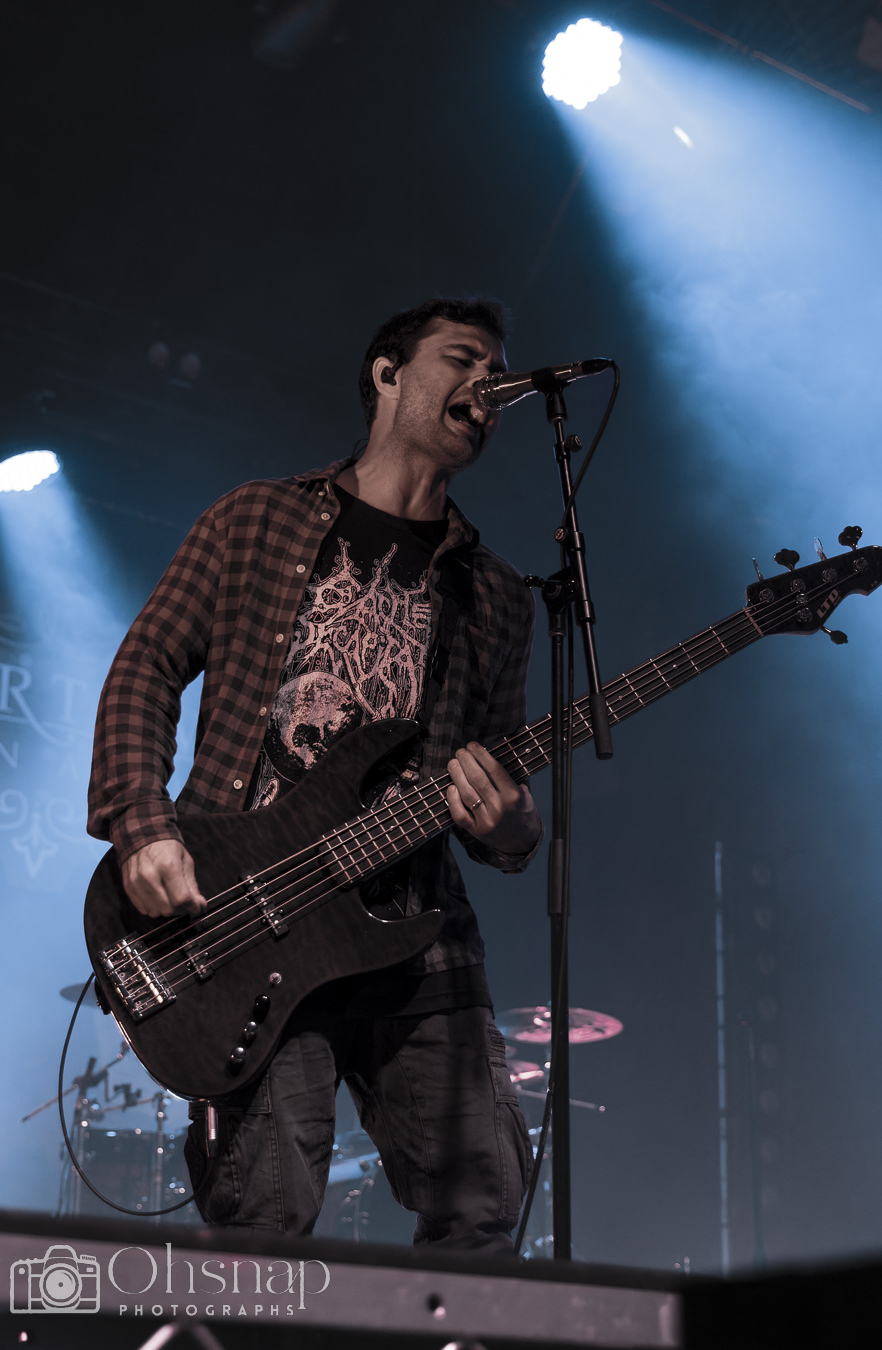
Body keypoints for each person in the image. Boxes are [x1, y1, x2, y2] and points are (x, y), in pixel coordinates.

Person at [88, 297, 543, 1249]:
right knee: (265, 1218)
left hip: (414, 937)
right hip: (246, 920)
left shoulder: (497, 595)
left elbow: (494, 780)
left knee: (486, 1203)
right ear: (387, 374)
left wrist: (510, 827)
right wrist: (142, 825)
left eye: (499, 373)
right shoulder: (257, 519)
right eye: (464, 358)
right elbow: (146, 667)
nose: (488, 385)